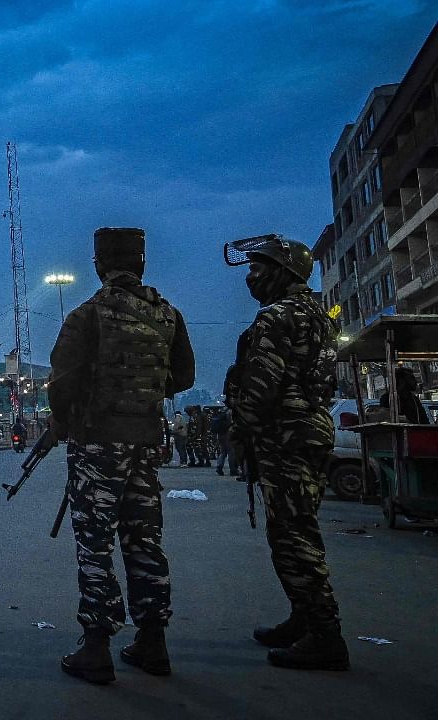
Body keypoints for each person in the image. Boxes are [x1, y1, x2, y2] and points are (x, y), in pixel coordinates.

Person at [47, 227, 195, 684]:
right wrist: (143, 394)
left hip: (98, 443)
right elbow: (183, 376)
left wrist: (68, 419)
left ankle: (97, 644)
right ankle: (153, 641)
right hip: (146, 442)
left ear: (97, 265)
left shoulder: (87, 315)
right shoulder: (168, 315)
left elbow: (61, 382)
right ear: (142, 264)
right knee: (144, 541)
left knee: (95, 543)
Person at [223, 233, 349, 671]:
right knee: (293, 531)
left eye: (258, 269)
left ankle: (325, 634)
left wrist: (241, 430)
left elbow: (260, 387)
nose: (251, 279)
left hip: (286, 438)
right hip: (310, 431)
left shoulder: (277, 318)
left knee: (294, 537)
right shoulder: (318, 315)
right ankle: (305, 619)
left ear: (283, 272)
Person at [212, 408, 237, 476]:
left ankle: (219, 467)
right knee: (231, 452)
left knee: (222, 452)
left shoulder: (222, 411)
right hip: (228, 433)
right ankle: (233, 469)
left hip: (220, 434)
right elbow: (231, 423)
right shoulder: (231, 411)